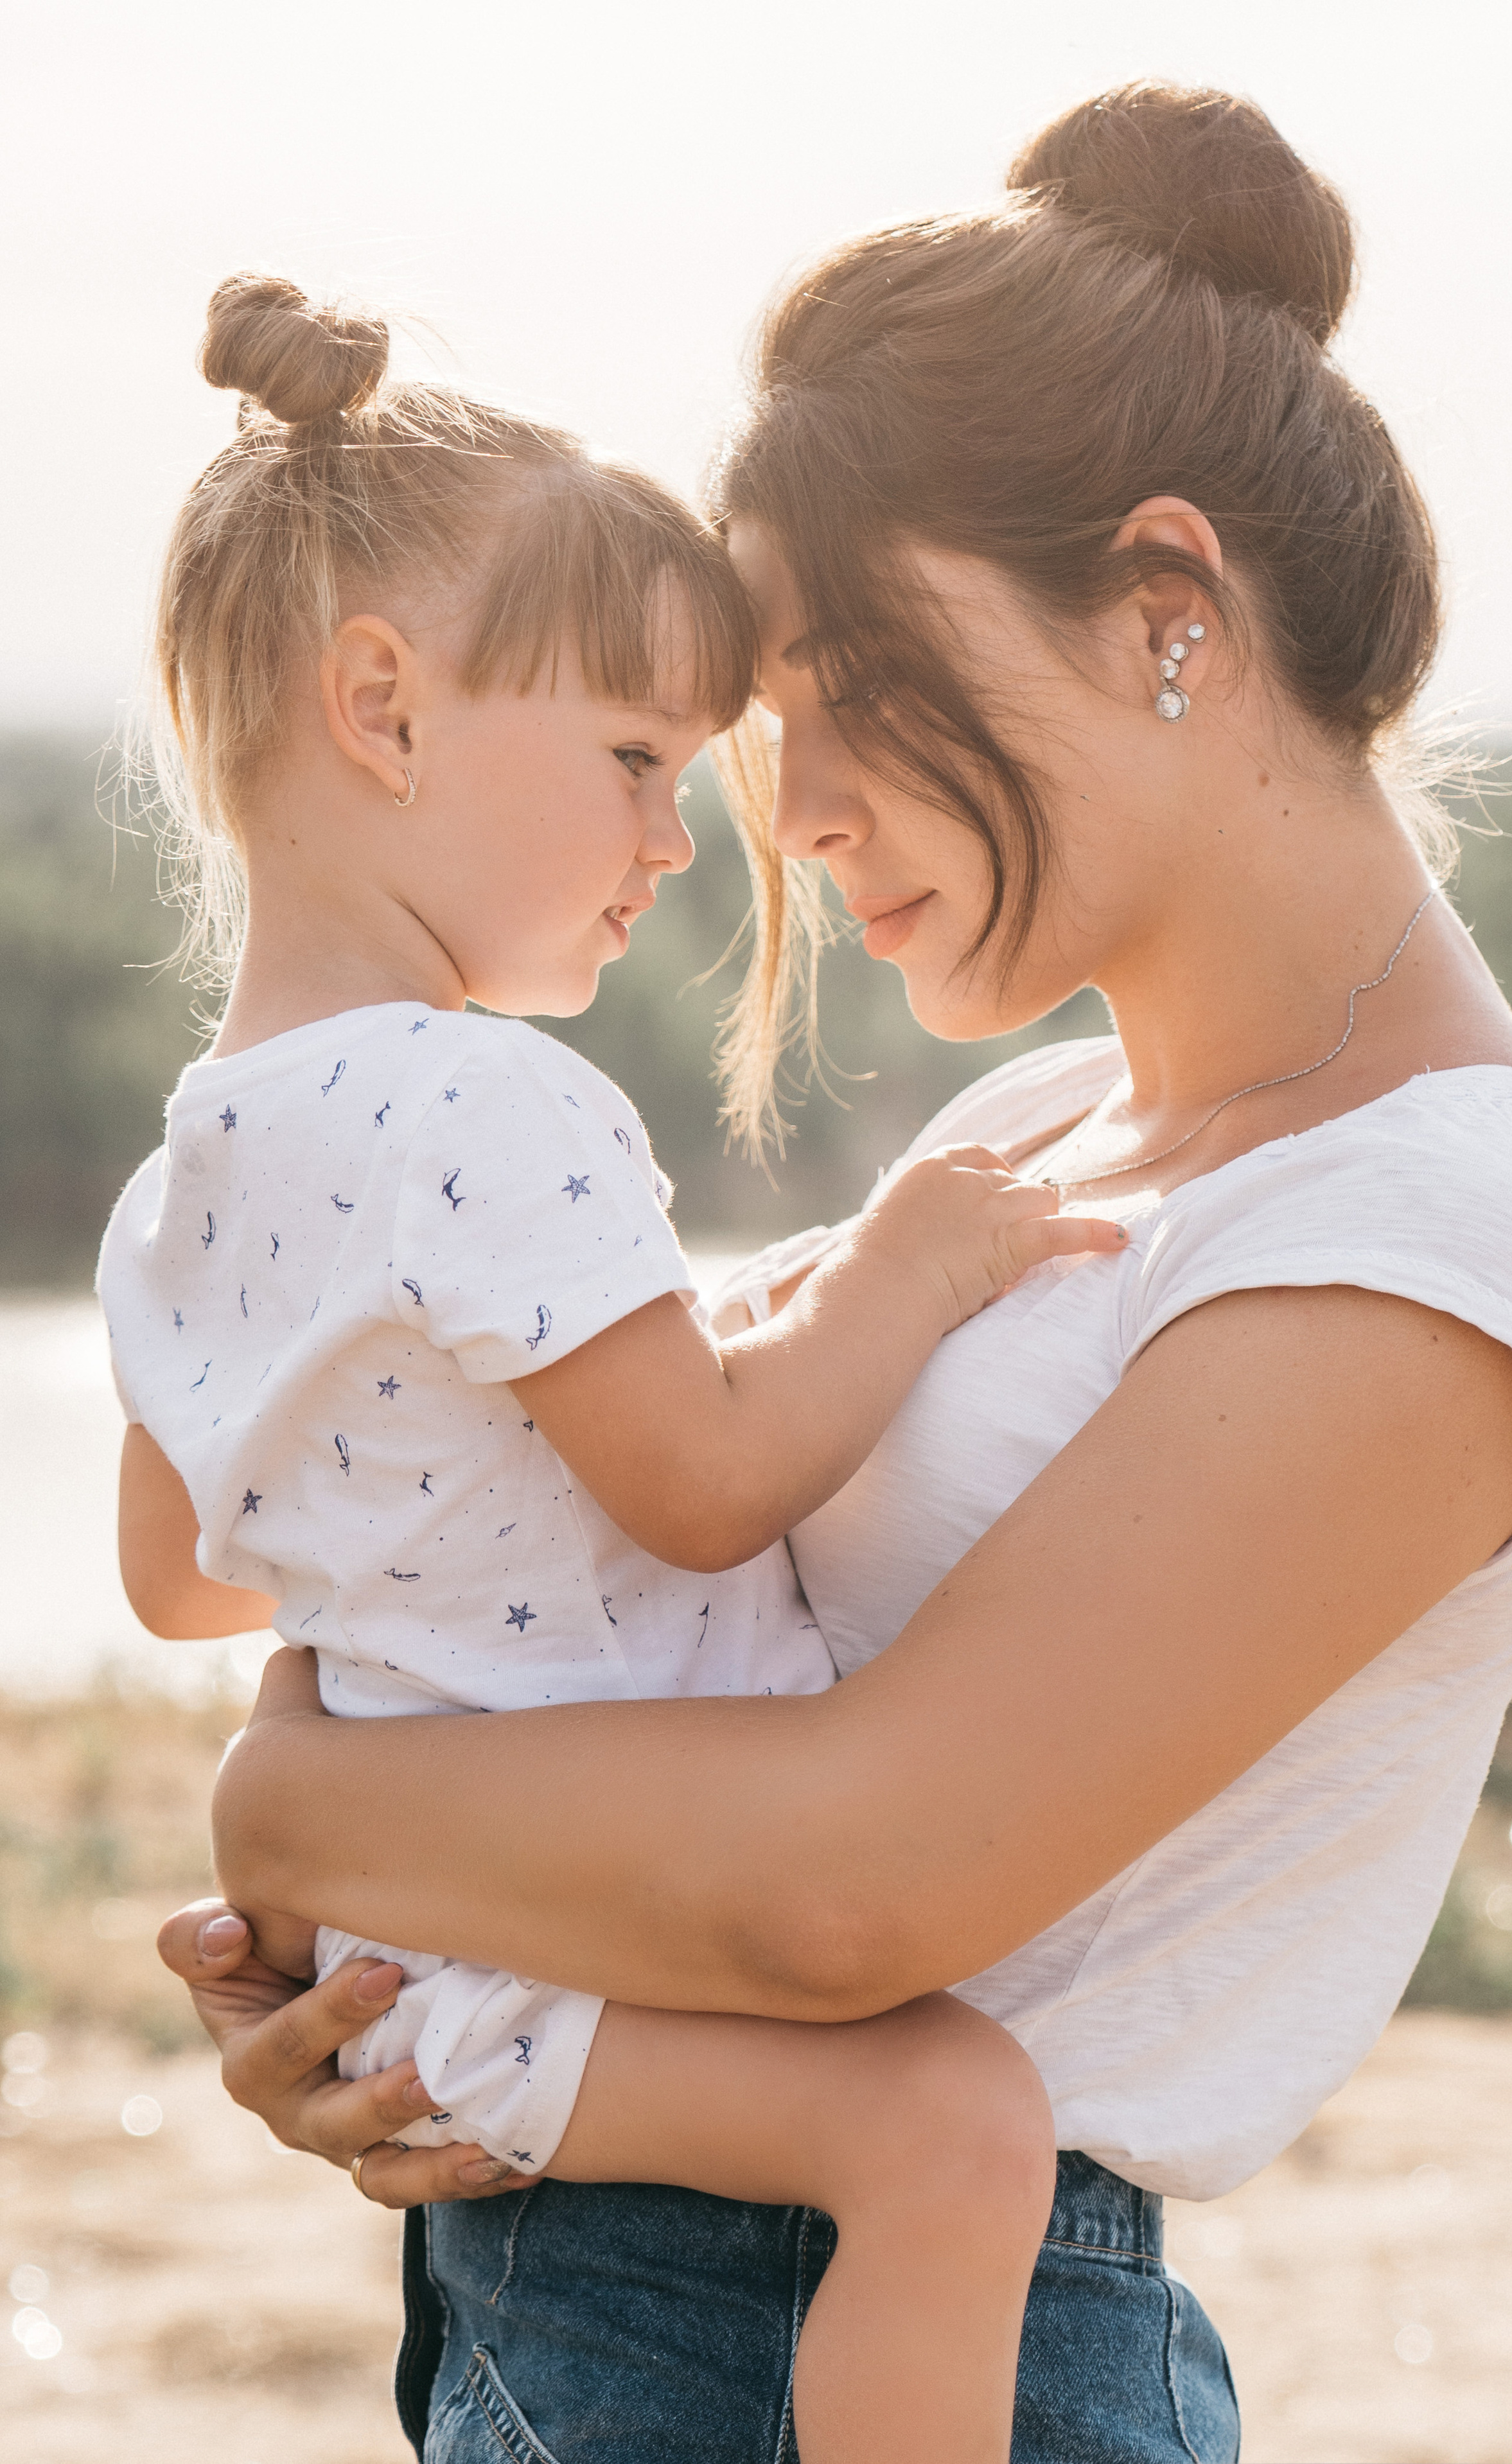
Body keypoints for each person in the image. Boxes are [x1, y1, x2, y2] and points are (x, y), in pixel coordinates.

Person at [159, 87, 1512, 2464]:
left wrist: (291, 1823)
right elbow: (591, 1596)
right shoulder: (1029, 1137)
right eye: (762, 721)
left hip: (893, 2338)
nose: (795, 802)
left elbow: (853, 1886)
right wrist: (428, 2011)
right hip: (608, 2285)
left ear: (1174, 608)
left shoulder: (1428, 1238)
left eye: (850, 681)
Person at [103, 272, 1132, 2464]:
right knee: (952, 2133)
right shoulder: (488, 1107)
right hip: (590, 1942)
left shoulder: (185, 1173)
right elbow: (701, 1486)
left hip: (432, 1960)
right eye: (640, 761)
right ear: (379, 709)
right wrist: (911, 1271)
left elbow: (189, 1581)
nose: (679, 845)